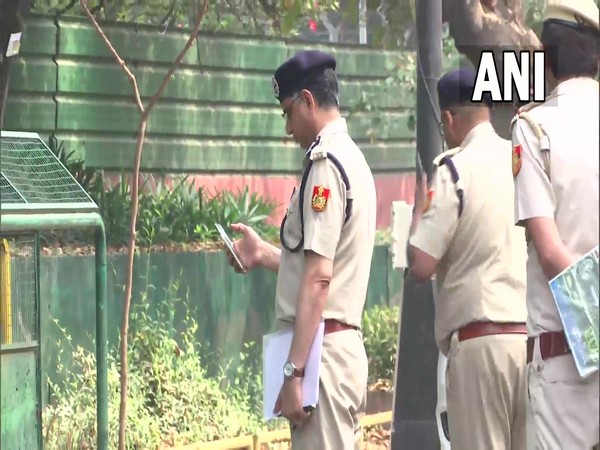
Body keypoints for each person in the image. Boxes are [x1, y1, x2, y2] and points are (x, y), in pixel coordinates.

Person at [224, 50, 377, 449]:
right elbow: (318, 264)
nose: (288, 128)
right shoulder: (352, 159)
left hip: (320, 358)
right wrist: (263, 254)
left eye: (289, 113)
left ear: (308, 100)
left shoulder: (326, 165)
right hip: (335, 352)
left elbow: (320, 279)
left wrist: (293, 371)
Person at [407, 68, 529, 449]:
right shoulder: (521, 160)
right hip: (529, 344)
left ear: (448, 118)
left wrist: (417, 214)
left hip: (480, 349)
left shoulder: (453, 169)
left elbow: (421, 264)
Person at [510, 0, 600, 447]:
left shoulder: (534, 128)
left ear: (545, 57)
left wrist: (596, 330)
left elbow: (550, 252)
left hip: (566, 361)